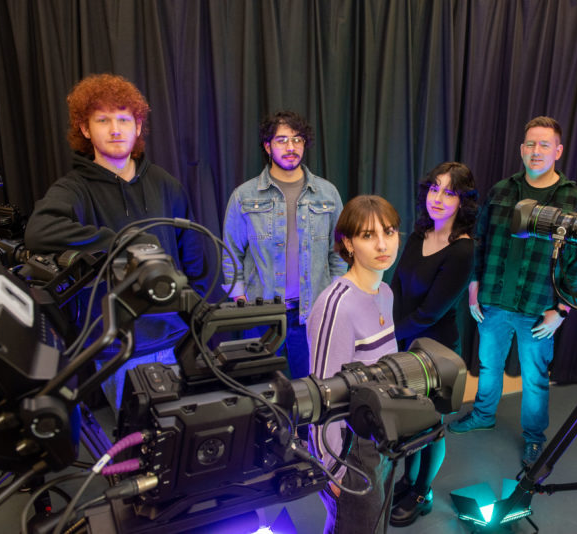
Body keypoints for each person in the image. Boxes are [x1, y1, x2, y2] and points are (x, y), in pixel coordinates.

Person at [24, 73, 207, 410]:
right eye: (103, 119)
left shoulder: (166, 185)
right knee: (138, 448)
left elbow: (194, 256)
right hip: (117, 347)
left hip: (174, 338)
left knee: (182, 442)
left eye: (124, 119)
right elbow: (39, 231)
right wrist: (120, 241)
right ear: (84, 129)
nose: (115, 129)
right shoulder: (74, 188)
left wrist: (195, 317)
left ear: (138, 127)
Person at [448, 116, 577, 468]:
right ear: (521, 149)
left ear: (557, 150)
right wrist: (473, 284)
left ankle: (533, 438)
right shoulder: (501, 191)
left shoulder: (573, 198)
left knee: (535, 379)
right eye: (530, 144)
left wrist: (563, 309)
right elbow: (481, 240)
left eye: (544, 144)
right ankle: (483, 416)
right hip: (494, 299)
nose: (536, 151)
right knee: (489, 365)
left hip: (539, 307)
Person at [222, 111, 346, 379]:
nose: (291, 147)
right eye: (282, 140)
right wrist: (239, 298)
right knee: (262, 390)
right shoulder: (244, 196)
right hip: (261, 312)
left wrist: (334, 294)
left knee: (314, 386)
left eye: (297, 139)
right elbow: (231, 251)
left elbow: (339, 250)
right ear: (267, 146)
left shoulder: (328, 193)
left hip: (313, 311)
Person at [389, 162, 477, 527]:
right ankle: (408, 482)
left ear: (462, 203)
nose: (438, 198)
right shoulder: (416, 235)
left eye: (449, 192)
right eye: (434, 189)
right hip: (405, 342)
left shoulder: (462, 250)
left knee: (430, 426)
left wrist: (390, 334)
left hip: (434, 350)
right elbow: (396, 288)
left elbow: (429, 313)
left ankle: (422, 493)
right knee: (410, 422)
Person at [308, 195, 400, 534]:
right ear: (348, 243)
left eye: (389, 232)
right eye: (367, 235)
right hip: (349, 446)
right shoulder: (337, 305)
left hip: (382, 434)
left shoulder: (385, 293)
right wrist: (332, 467)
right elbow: (320, 395)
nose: (382, 244)